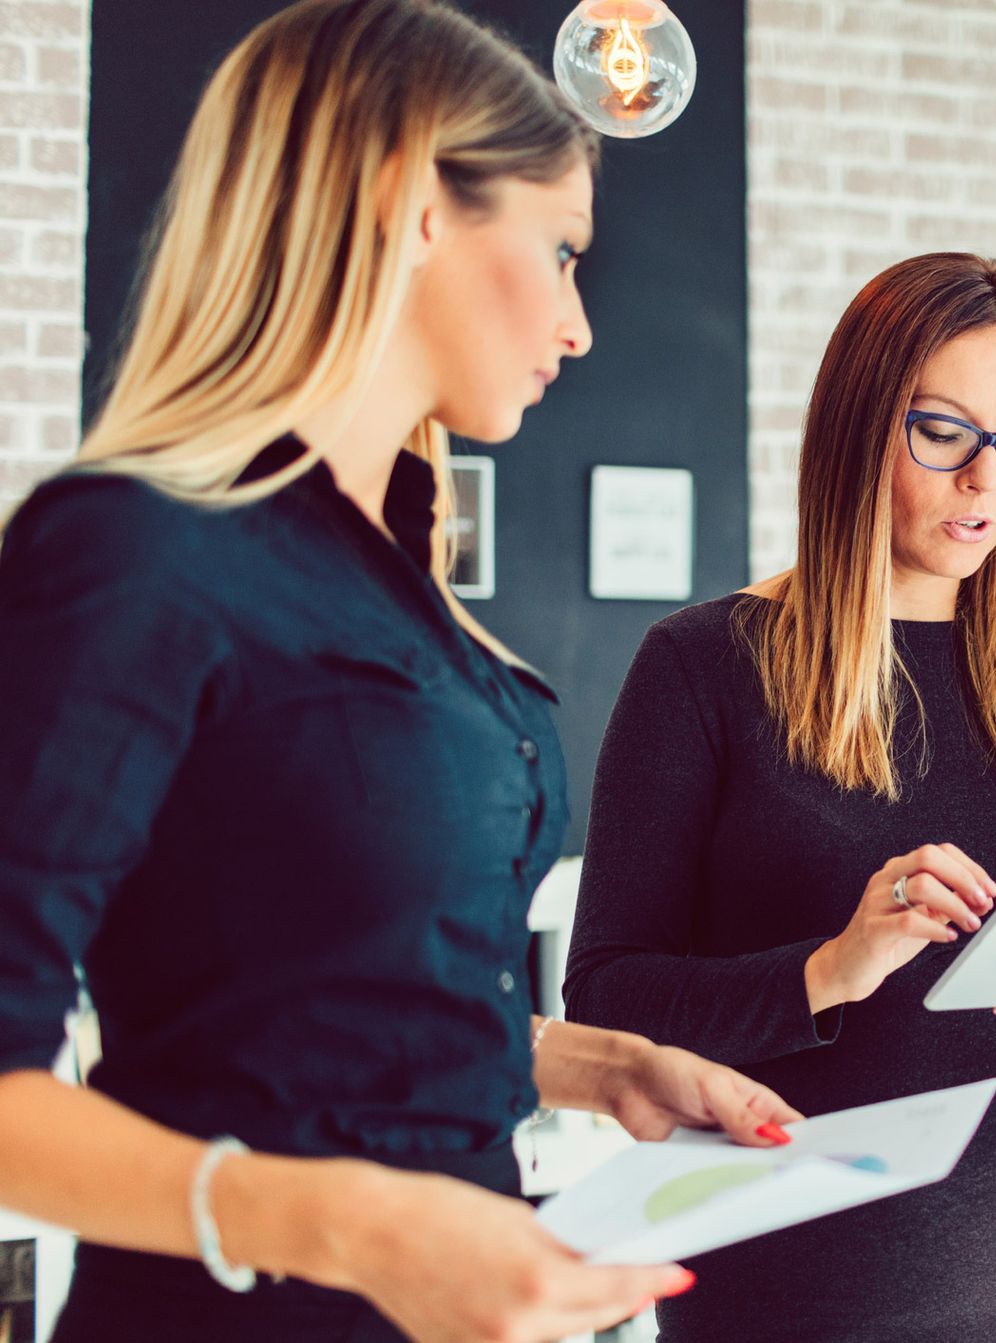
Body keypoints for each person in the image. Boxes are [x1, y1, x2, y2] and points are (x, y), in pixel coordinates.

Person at [0, 4, 797, 1340]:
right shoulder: (132, 553)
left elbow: (333, 993)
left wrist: (609, 1065)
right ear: (414, 202)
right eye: (559, 250)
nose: (579, 323)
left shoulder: (400, 570)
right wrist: (352, 1223)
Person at [565, 251, 996, 1343]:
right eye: (945, 432)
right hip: (790, 1299)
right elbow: (606, 1001)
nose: (989, 477)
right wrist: (827, 970)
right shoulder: (701, 667)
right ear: (857, 425)